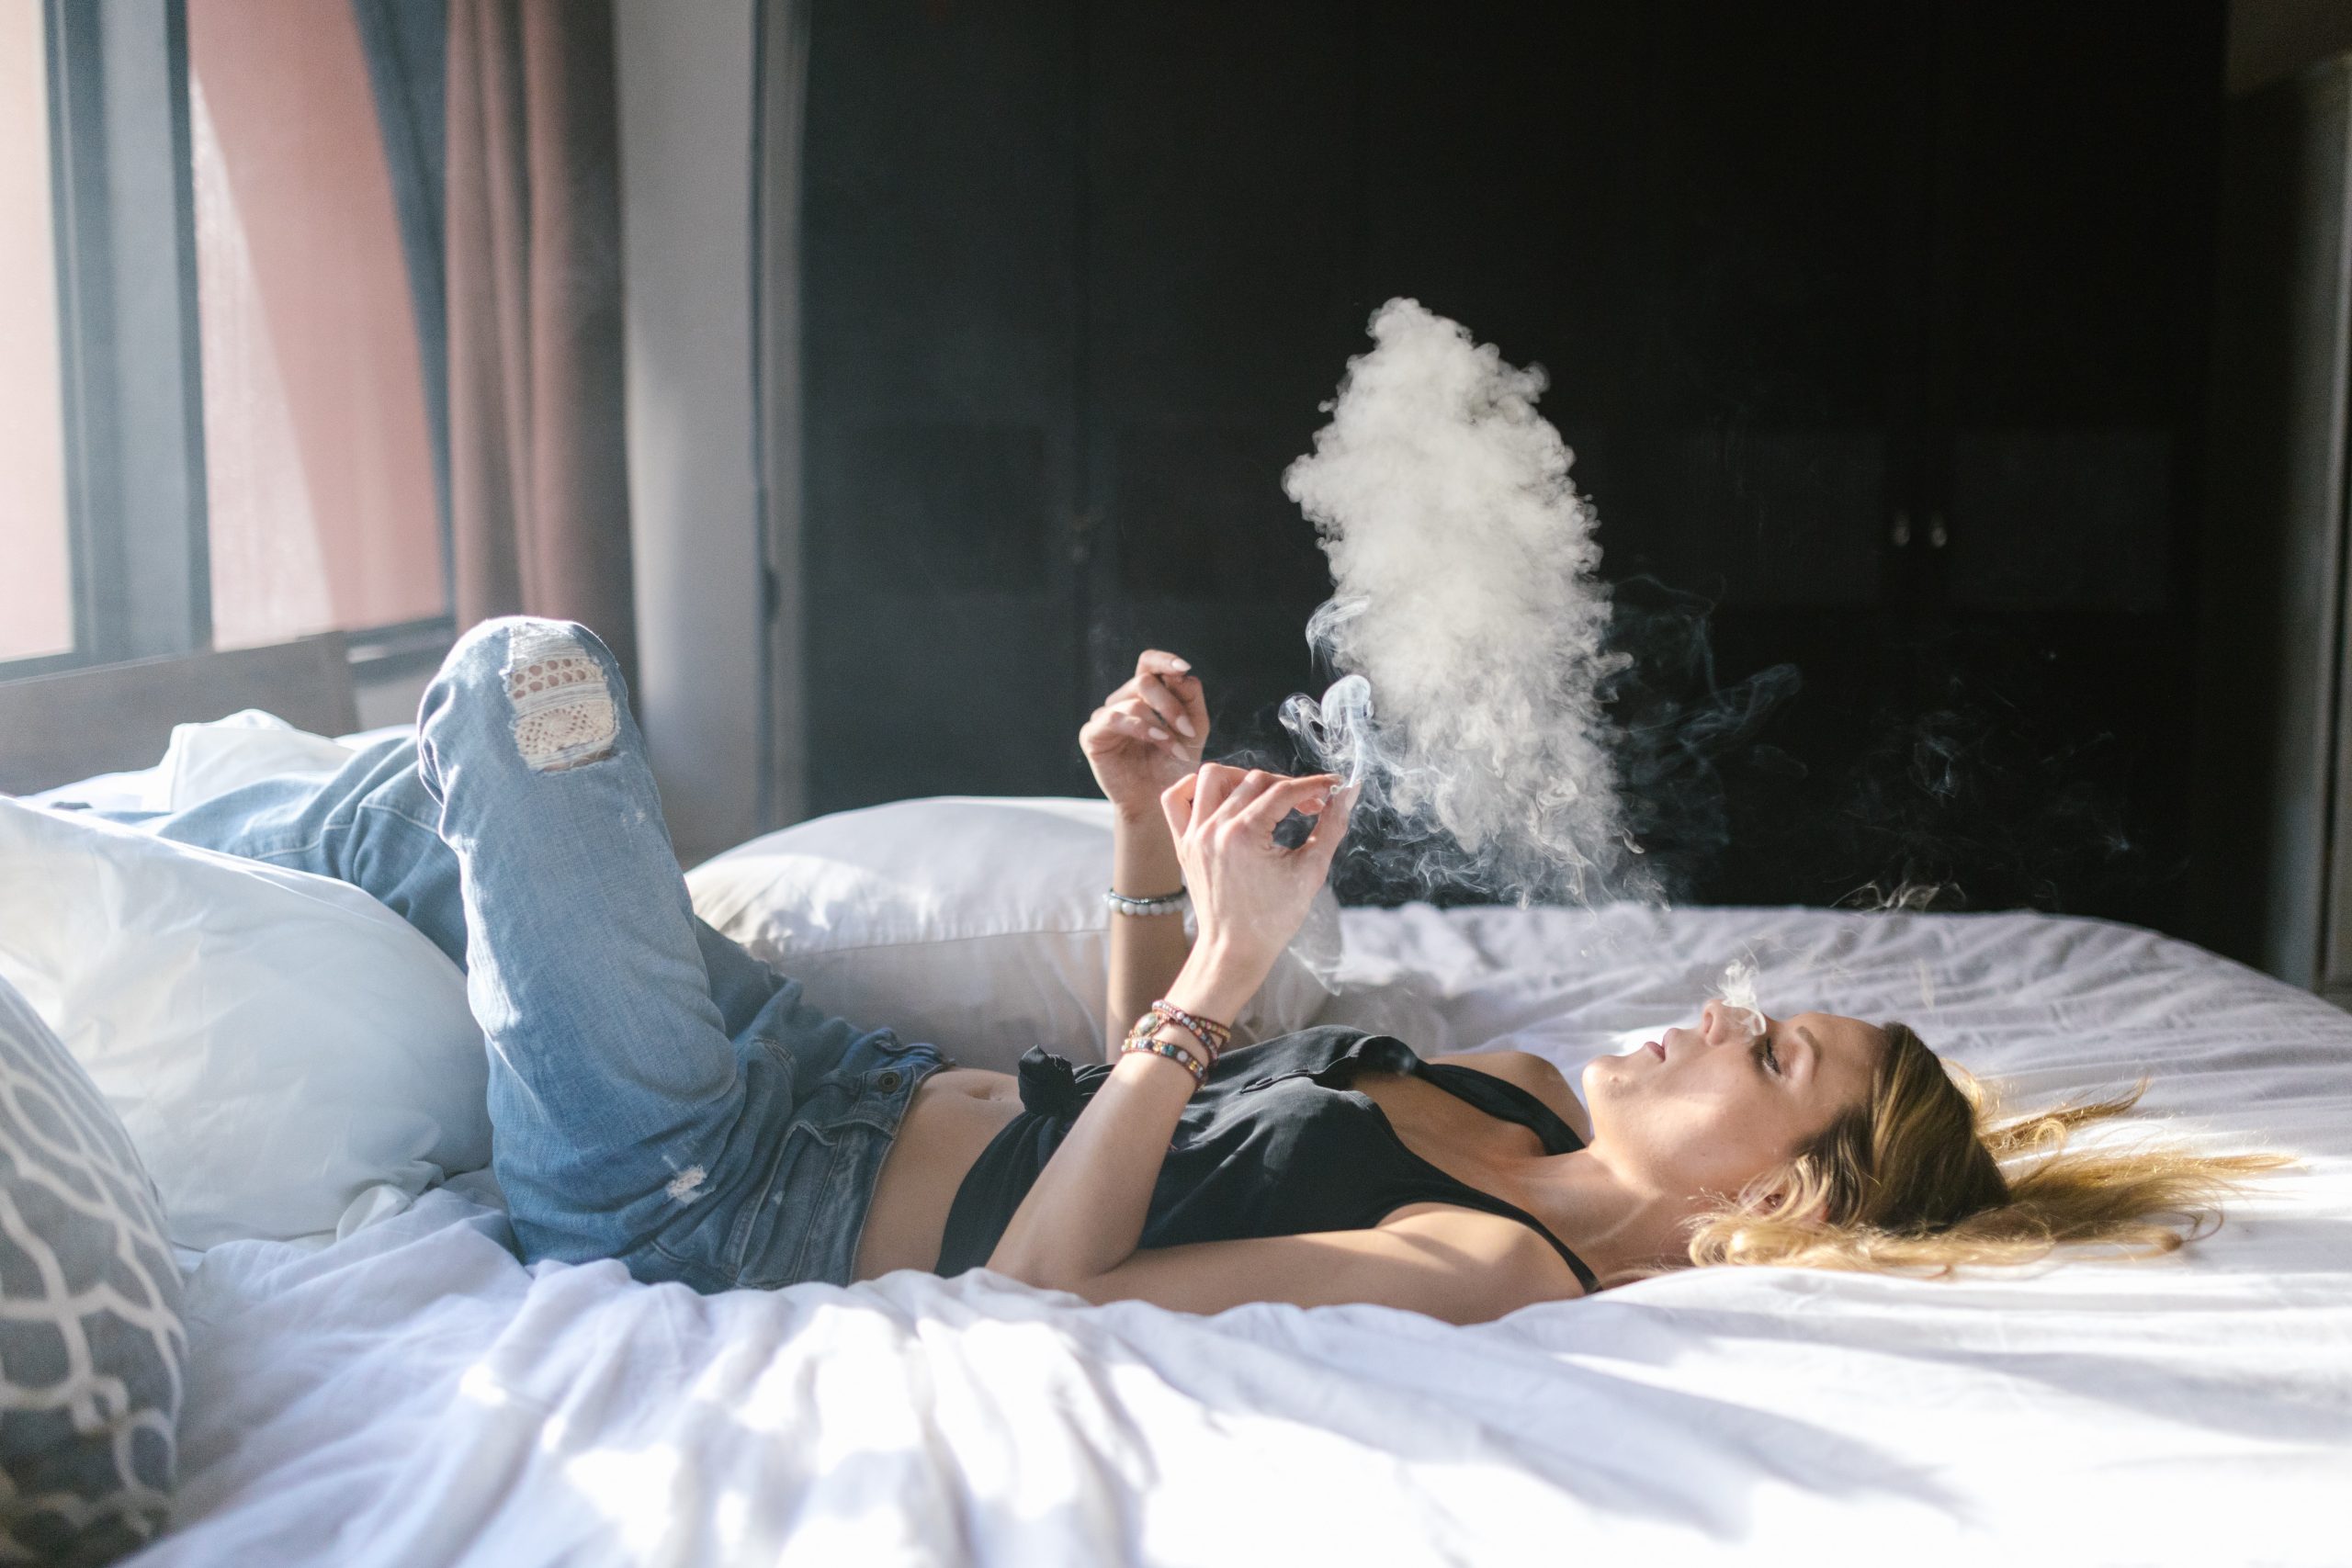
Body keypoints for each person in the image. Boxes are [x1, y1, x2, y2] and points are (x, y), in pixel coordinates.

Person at [131, 618, 2275, 1325]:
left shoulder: (1480, 1256)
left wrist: (1201, 991)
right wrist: (1150, 839)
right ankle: (91, 844)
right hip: (814, 1061)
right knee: (405, 812)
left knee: (524, 684)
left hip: (709, 1186)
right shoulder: (1522, 1076)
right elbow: (1125, 1063)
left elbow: (1045, 1293)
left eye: (1770, 1049)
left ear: (1777, 1194)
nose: (1717, 1007)